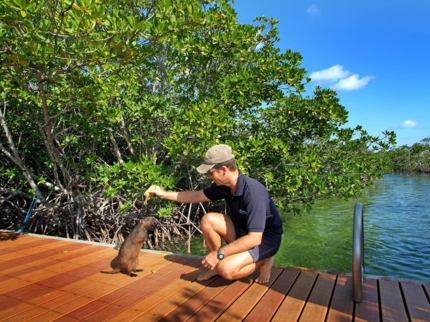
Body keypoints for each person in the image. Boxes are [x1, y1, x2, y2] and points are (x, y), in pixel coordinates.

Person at [147, 144, 283, 284]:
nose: (209, 177)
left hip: (265, 240)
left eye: (210, 172)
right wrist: (163, 194)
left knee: (227, 269)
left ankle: (264, 260)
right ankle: (217, 266)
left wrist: (219, 254)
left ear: (223, 170)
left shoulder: (254, 193)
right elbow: (195, 196)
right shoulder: (224, 186)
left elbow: (255, 239)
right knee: (208, 220)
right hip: (243, 231)